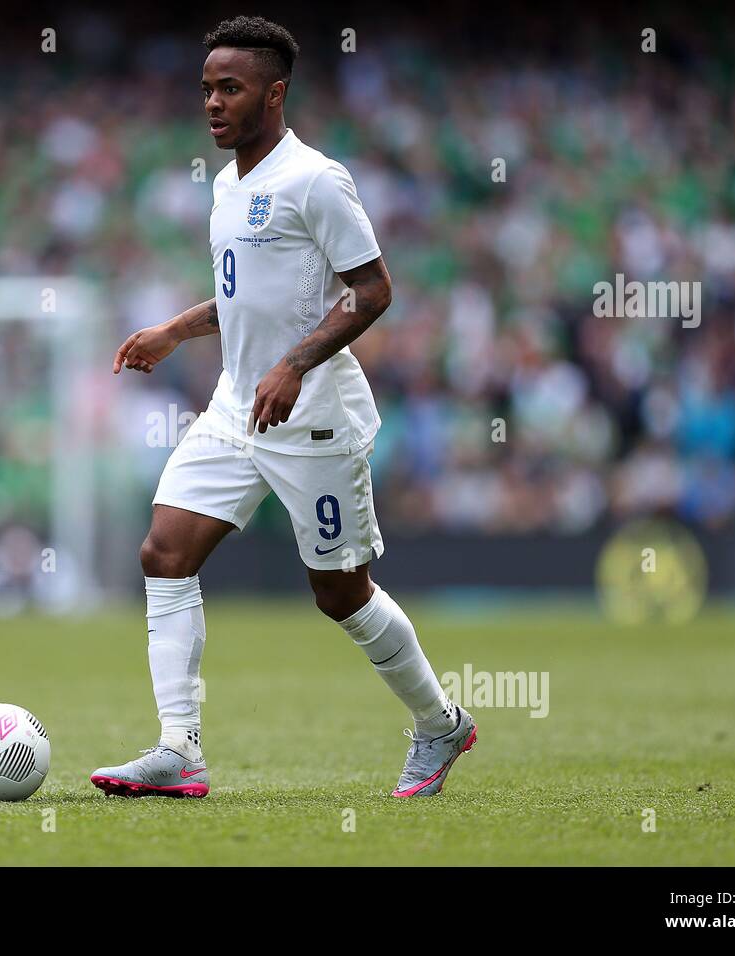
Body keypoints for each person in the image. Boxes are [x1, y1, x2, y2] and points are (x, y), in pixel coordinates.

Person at [92, 16, 475, 799]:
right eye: (205, 88)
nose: (211, 103)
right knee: (164, 552)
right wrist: (176, 328)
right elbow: (246, 298)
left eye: (229, 88)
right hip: (236, 407)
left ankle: (441, 724)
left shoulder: (317, 179)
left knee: (339, 594)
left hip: (315, 419)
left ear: (276, 92)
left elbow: (374, 291)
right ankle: (179, 749)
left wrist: (296, 363)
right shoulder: (227, 187)